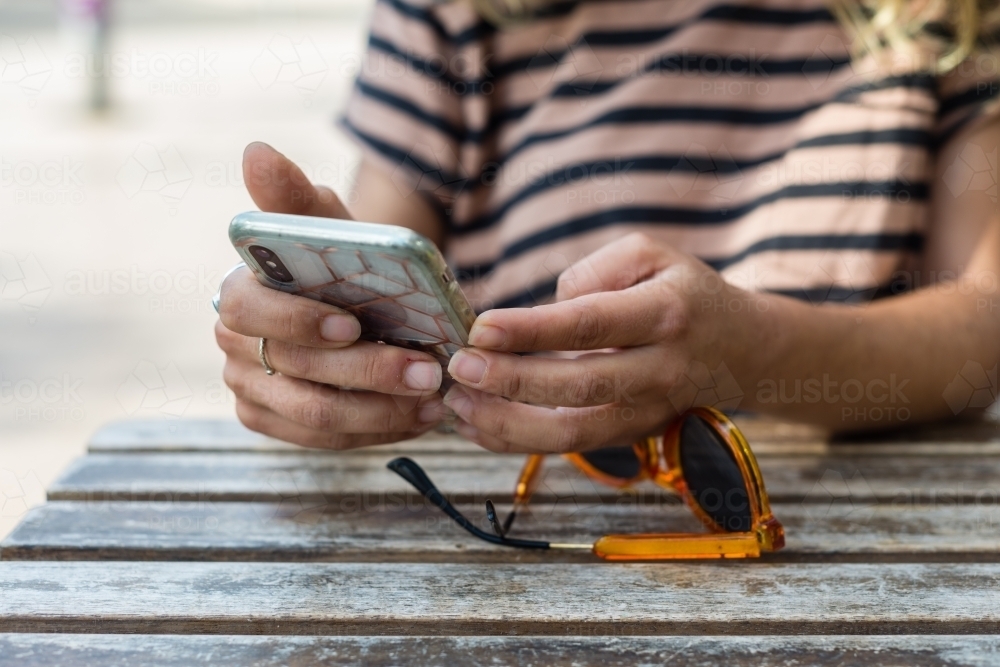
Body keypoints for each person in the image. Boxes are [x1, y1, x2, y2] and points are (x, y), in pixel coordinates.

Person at [215, 0, 1000, 454]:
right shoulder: (452, 13)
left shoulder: (948, 19)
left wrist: (755, 353)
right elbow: (377, 274)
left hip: (843, 547)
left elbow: (982, 323)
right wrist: (311, 344)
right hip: (507, 552)